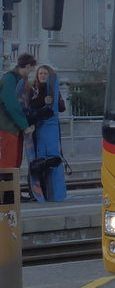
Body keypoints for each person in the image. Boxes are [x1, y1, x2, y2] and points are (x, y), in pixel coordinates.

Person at [24, 64, 67, 203]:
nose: (43, 76)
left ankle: (52, 192)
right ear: (37, 75)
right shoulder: (33, 90)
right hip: (39, 129)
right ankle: (37, 192)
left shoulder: (54, 90)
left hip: (51, 129)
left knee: (52, 159)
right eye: (41, 73)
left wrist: (56, 100)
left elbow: (61, 108)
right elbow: (30, 107)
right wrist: (43, 102)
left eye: (45, 74)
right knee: (38, 159)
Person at [0, 55, 37, 198]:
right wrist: (24, 125)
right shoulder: (10, 79)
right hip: (8, 127)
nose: (32, 71)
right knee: (8, 161)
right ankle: (6, 194)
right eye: (32, 68)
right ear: (27, 66)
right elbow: (12, 104)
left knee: (15, 160)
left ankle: (13, 192)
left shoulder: (18, 80)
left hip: (14, 127)